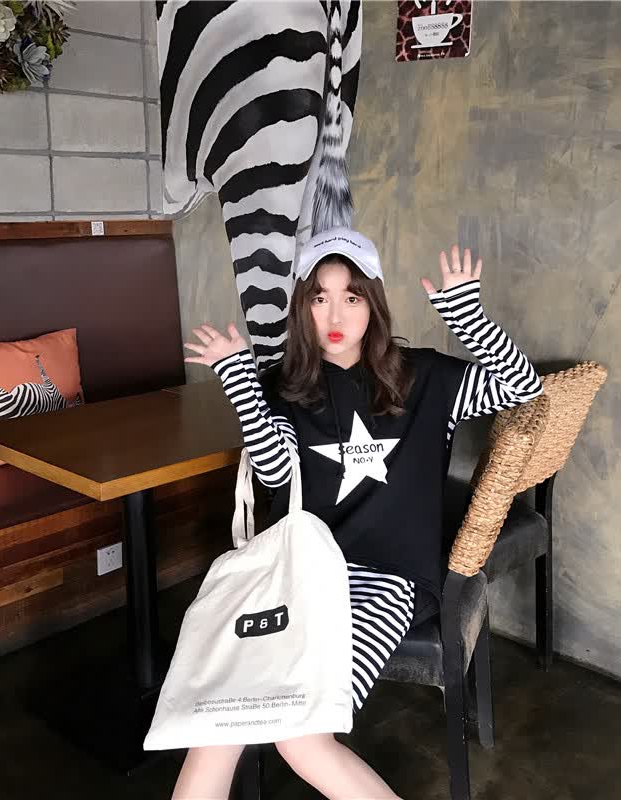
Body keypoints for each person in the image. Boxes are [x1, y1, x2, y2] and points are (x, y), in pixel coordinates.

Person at [177, 227, 544, 799]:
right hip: (298, 576)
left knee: (300, 737)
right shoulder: (284, 387)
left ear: (373, 302)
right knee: (215, 725)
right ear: (302, 307)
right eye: (319, 297)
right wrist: (240, 380)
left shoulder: (424, 378)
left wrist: (468, 318)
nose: (335, 315)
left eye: (351, 296)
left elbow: (522, 389)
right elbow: (276, 472)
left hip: (387, 578)